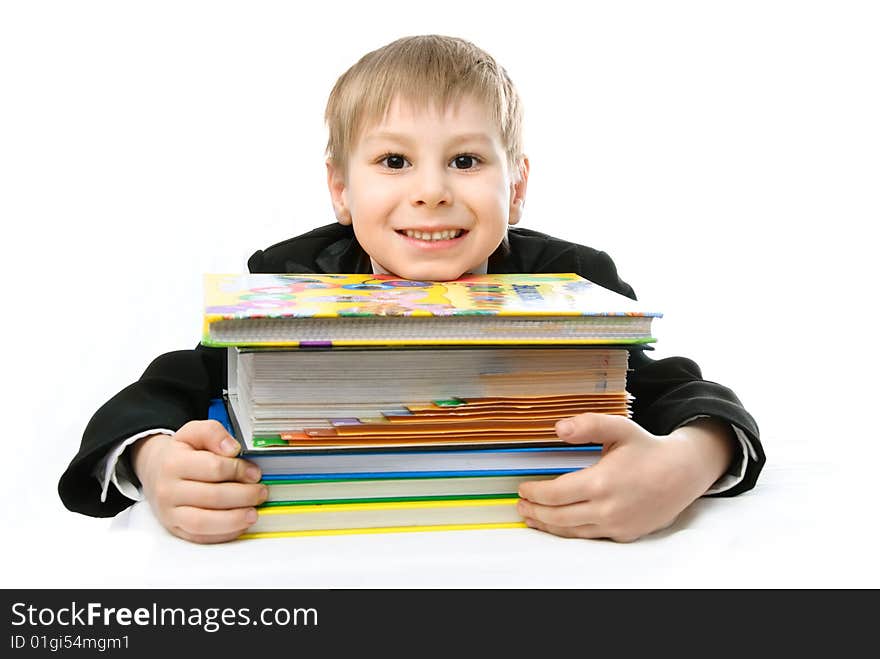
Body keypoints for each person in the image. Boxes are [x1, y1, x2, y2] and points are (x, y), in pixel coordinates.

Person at [59, 35, 765, 544]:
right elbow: (166, 386)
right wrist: (152, 463)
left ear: (514, 187)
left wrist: (689, 464)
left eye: (464, 159)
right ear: (342, 189)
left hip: (535, 550)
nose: (431, 192)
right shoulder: (291, 279)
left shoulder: (573, 282)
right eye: (394, 160)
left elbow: (678, 388)